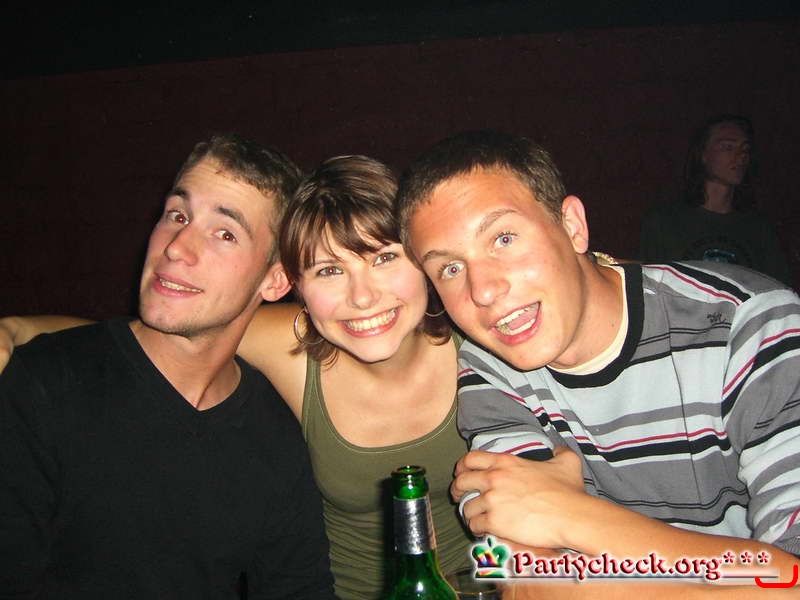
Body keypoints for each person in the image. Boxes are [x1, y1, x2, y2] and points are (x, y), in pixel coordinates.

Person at [0, 155, 474, 600]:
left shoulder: (477, 344)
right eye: (329, 269)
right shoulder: (290, 347)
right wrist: (17, 330)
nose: (363, 297)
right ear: (295, 287)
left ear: (423, 259)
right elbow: (161, 333)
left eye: (384, 258)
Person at [395, 130, 800, 598]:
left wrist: (574, 515)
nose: (483, 290)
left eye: (503, 238)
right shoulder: (488, 363)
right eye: (449, 268)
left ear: (572, 226)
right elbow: (522, 577)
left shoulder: (747, 325)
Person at [0, 134, 336, 599]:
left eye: (225, 233)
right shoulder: (42, 383)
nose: (177, 247)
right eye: (178, 215)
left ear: (275, 280)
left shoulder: (275, 435)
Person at [640, 114, 791, 286]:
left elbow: (779, 291)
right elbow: (648, 287)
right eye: (728, 147)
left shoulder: (758, 229)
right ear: (703, 154)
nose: (740, 156)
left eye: (745, 149)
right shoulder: (664, 222)